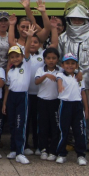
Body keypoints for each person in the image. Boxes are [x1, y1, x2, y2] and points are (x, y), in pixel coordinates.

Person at [57, 0, 89, 155]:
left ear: (86, 20)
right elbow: (58, 61)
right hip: (69, 82)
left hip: (88, 81)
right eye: (74, 19)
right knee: (69, 112)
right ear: (69, 20)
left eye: (80, 19)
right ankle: (71, 139)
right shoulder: (63, 38)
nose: (77, 21)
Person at [23, 16, 60, 156]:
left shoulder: (43, 56)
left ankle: (39, 145)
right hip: (27, 93)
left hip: (40, 95)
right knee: (27, 121)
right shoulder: (25, 55)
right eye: (30, 41)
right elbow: (26, 47)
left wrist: (54, 28)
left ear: (40, 44)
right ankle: (25, 144)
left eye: (35, 42)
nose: (32, 44)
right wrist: (29, 37)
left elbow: (54, 44)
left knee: (39, 122)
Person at [56, 52, 89, 166]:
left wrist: (87, 109)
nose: (69, 66)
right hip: (65, 105)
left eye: (72, 63)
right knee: (63, 130)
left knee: (79, 131)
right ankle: (61, 154)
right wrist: (60, 86)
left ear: (76, 65)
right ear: (62, 65)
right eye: (67, 63)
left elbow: (83, 93)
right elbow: (59, 81)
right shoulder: (60, 75)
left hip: (78, 105)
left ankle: (81, 155)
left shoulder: (79, 77)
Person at [2, 44, 33, 165]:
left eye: (17, 56)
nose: (15, 59)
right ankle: (14, 149)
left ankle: (21, 152)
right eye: (12, 57)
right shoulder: (10, 71)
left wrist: (29, 37)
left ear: (22, 56)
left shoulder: (26, 65)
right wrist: (4, 103)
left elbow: (28, 50)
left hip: (22, 97)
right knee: (12, 124)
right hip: (11, 97)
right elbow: (7, 88)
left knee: (20, 124)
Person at [34, 47, 61, 161]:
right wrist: (45, 76)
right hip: (42, 101)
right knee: (43, 126)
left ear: (57, 59)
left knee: (55, 127)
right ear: (44, 59)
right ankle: (43, 149)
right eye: (48, 58)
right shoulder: (40, 70)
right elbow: (36, 82)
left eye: (54, 58)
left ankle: (53, 150)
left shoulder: (60, 71)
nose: (51, 60)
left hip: (55, 101)